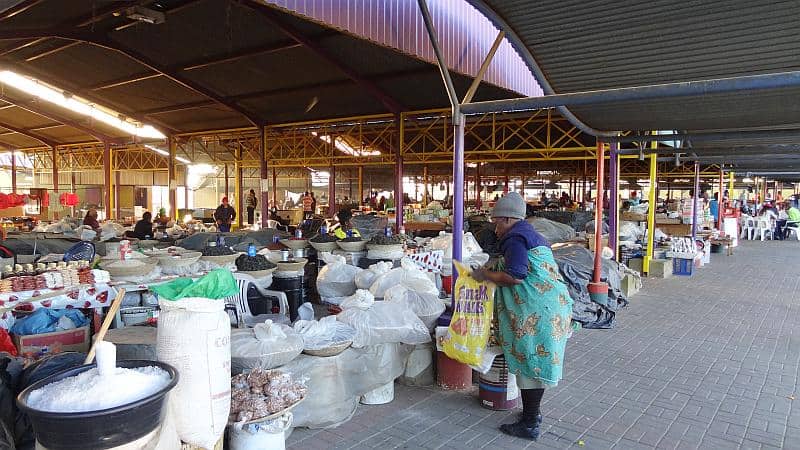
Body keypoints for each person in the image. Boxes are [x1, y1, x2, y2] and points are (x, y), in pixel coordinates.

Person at [471, 192, 573, 441]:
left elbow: (515, 275)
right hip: (551, 306)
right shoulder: (531, 233)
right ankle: (532, 415)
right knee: (533, 365)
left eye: (496, 223)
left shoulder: (515, 238)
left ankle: (529, 424)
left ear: (507, 219)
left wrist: (485, 276)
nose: (495, 229)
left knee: (530, 367)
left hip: (537, 311)